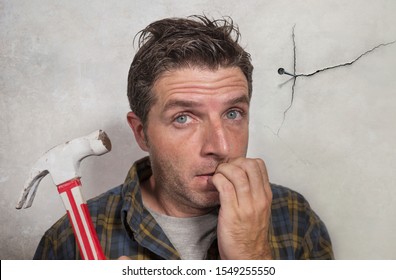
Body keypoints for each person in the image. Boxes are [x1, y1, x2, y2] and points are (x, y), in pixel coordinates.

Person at [33, 15, 334, 260]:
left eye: (233, 113)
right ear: (141, 133)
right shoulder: (68, 243)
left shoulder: (295, 219)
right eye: (183, 118)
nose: (221, 147)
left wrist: (252, 258)